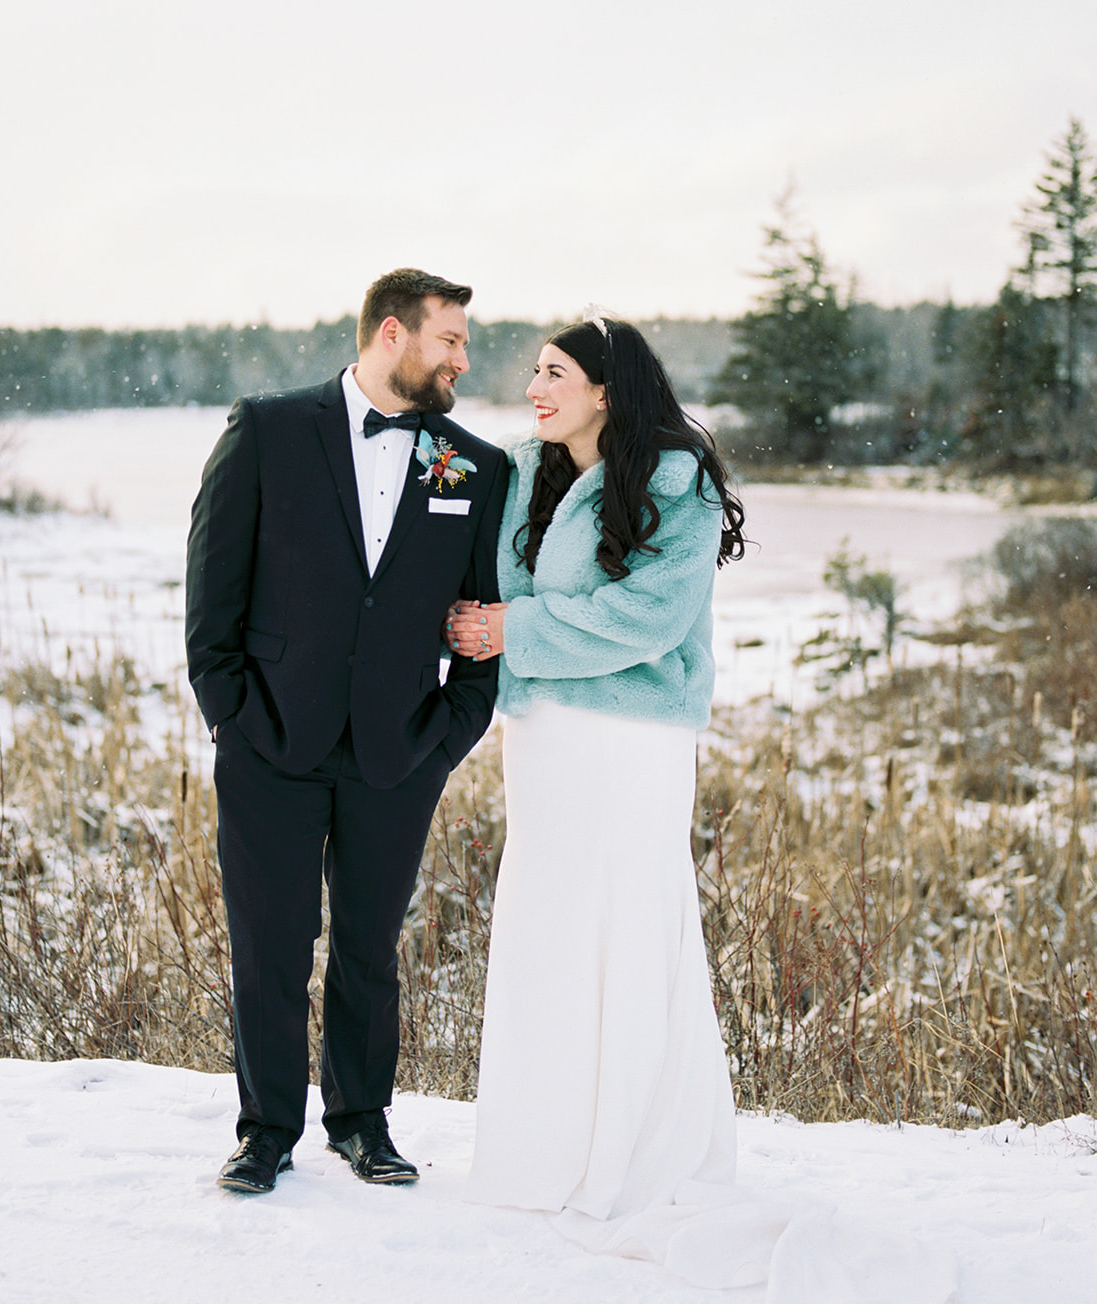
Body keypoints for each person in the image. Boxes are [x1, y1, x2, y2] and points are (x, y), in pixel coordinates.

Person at [447, 317, 957, 1300]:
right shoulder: (526, 473)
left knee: (629, 927)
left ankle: (634, 1148)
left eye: (554, 374)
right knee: (548, 930)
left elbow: (648, 617)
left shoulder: (673, 482)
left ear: (606, 389)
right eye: (534, 374)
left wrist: (520, 628)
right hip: (545, 742)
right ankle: (545, 1147)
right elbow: (504, 589)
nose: (535, 387)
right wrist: (495, 628)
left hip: (631, 742)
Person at [186, 267, 508, 1196]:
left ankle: (362, 1123)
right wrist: (231, 716)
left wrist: (447, 733)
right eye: (449, 339)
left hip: (397, 751)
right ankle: (265, 1132)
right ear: (392, 335)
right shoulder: (268, 428)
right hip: (269, 744)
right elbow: (212, 589)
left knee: (369, 947)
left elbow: (481, 613)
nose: (461, 358)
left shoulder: (474, 466)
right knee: (271, 945)